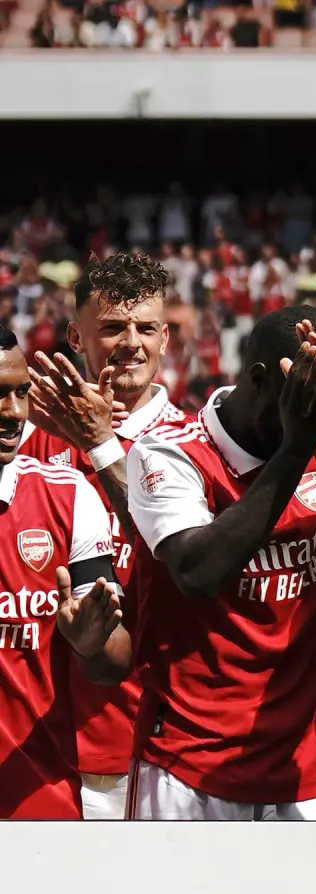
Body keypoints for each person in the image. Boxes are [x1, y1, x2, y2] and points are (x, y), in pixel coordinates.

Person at [125, 309, 316, 820]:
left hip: (312, 762)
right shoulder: (168, 454)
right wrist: (293, 453)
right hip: (193, 761)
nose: (311, 417)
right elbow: (199, 573)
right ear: (256, 379)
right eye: (300, 398)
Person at [19, 251, 186, 819]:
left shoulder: (196, 444)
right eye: (113, 327)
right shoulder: (29, 444)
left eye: (146, 328)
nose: (131, 343)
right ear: (75, 336)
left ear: (165, 337)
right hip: (40, 748)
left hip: (160, 749)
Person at [0, 326, 130, 819]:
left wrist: (91, 642)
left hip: (37, 795)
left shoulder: (68, 493)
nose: (13, 413)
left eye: (21, 393)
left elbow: (113, 663)